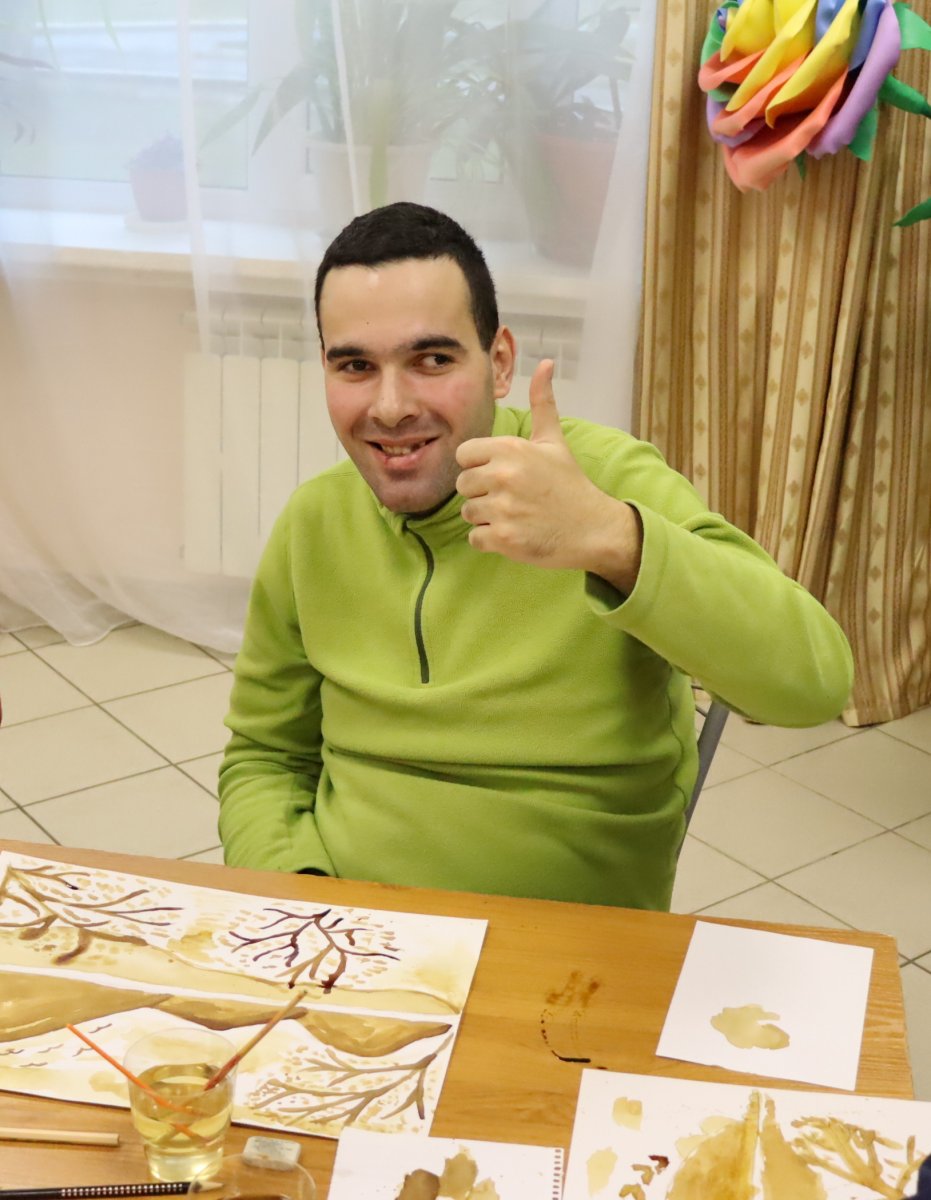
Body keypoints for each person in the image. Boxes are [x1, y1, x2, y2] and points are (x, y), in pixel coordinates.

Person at [218, 201, 853, 910]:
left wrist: (612, 538)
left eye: (432, 360)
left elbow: (811, 684)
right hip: (350, 930)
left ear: (499, 363)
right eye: (356, 366)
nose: (390, 407)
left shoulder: (602, 481)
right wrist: (297, 898)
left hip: (562, 939)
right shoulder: (313, 523)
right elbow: (265, 757)